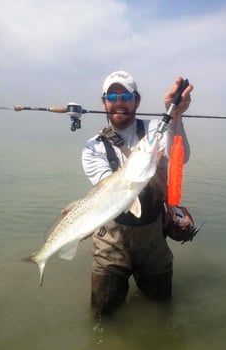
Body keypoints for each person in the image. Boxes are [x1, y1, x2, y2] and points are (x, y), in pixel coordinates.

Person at [81, 70, 193, 317]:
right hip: (110, 241)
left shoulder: (155, 129)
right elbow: (110, 193)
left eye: (126, 95)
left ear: (137, 101)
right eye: (112, 95)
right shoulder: (93, 147)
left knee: (162, 306)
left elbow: (180, 157)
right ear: (104, 103)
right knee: (101, 314)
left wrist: (175, 117)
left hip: (153, 237)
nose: (118, 101)